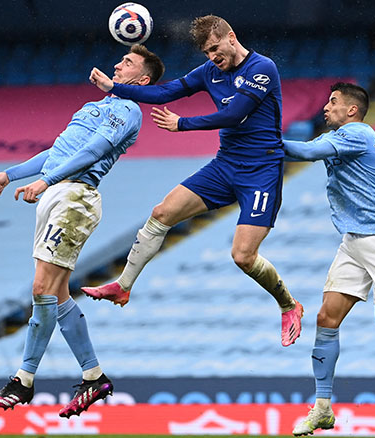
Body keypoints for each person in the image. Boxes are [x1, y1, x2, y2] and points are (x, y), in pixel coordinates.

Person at [83, 15, 303, 347]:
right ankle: (123, 286)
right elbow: (165, 93)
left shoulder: (262, 68)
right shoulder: (210, 71)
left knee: (243, 256)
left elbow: (234, 114)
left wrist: (182, 124)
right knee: (161, 213)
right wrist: (114, 87)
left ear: (231, 37)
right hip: (225, 165)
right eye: (206, 53)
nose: (213, 58)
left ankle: (289, 305)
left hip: (261, 171)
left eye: (215, 49)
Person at [0, 44, 165, 418]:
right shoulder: (92, 107)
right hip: (58, 193)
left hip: (75, 197)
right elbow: (59, 149)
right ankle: (93, 376)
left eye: (127, 63)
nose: (118, 64)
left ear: (143, 80)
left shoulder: (129, 110)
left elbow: (95, 151)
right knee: (57, 293)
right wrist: (10, 174)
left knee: (41, 289)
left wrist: (46, 181)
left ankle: (24, 379)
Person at [284, 83, 375, 438]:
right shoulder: (349, 136)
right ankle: (323, 408)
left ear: (351, 110)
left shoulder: (356, 133)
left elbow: (306, 152)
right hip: (354, 241)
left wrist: (263, 141)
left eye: (333, 102)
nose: (325, 107)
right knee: (326, 317)